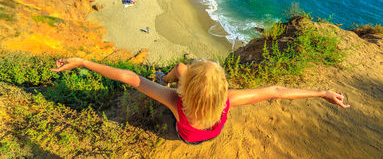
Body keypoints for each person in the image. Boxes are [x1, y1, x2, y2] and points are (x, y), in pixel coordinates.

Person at [51, 58, 350, 145]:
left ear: (186, 90)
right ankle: (173, 74)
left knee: (179, 68)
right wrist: (322, 93)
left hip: (181, 134)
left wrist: (82, 62)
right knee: (182, 68)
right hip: (209, 131)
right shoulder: (228, 100)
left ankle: (164, 75)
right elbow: (276, 90)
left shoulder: (175, 102)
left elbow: (129, 77)